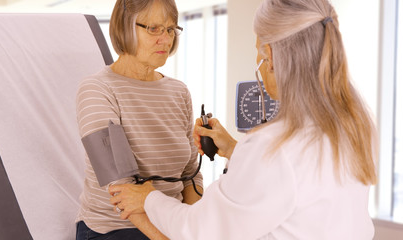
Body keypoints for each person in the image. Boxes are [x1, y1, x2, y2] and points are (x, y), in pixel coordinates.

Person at [108, 0, 378, 239]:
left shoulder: (271, 146)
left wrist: (148, 199)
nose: (164, 39)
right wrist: (237, 151)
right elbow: (296, 181)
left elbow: (200, 231)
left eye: (258, 50)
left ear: (270, 57)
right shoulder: (353, 126)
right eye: (153, 28)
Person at [75, 0, 203, 239]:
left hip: (171, 223)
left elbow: (190, 174)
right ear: (125, 27)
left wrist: (195, 228)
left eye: (170, 29)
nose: (165, 39)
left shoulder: (179, 92)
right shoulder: (97, 89)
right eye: (153, 28)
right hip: (118, 227)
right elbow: (122, 189)